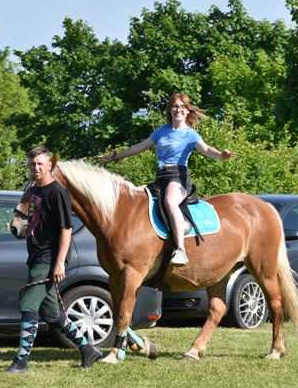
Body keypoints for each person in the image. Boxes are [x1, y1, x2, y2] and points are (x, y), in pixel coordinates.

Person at [99, 93, 236, 266]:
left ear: (187, 111)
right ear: (170, 110)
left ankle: (180, 250)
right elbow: (138, 147)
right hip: (161, 177)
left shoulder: (191, 135)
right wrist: (115, 156)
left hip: (178, 177)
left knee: (170, 202)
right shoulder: (161, 132)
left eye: (181, 107)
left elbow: (207, 149)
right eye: (174, 106)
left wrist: (221, 155)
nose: (178, 110)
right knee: (134, 198)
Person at [7, 146, 102, 373]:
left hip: (50, 258)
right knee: (52, 314)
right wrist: (18, 227)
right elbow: (26, 218)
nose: (36, 167)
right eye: (33, 164)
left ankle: (21, 361)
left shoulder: (57, 192)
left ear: (50, 165)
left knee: (29, 304)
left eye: (40, 163)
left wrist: (60, 262)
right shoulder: (31, 189)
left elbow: (66, 229)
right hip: (36, 255)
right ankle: (88, 349)